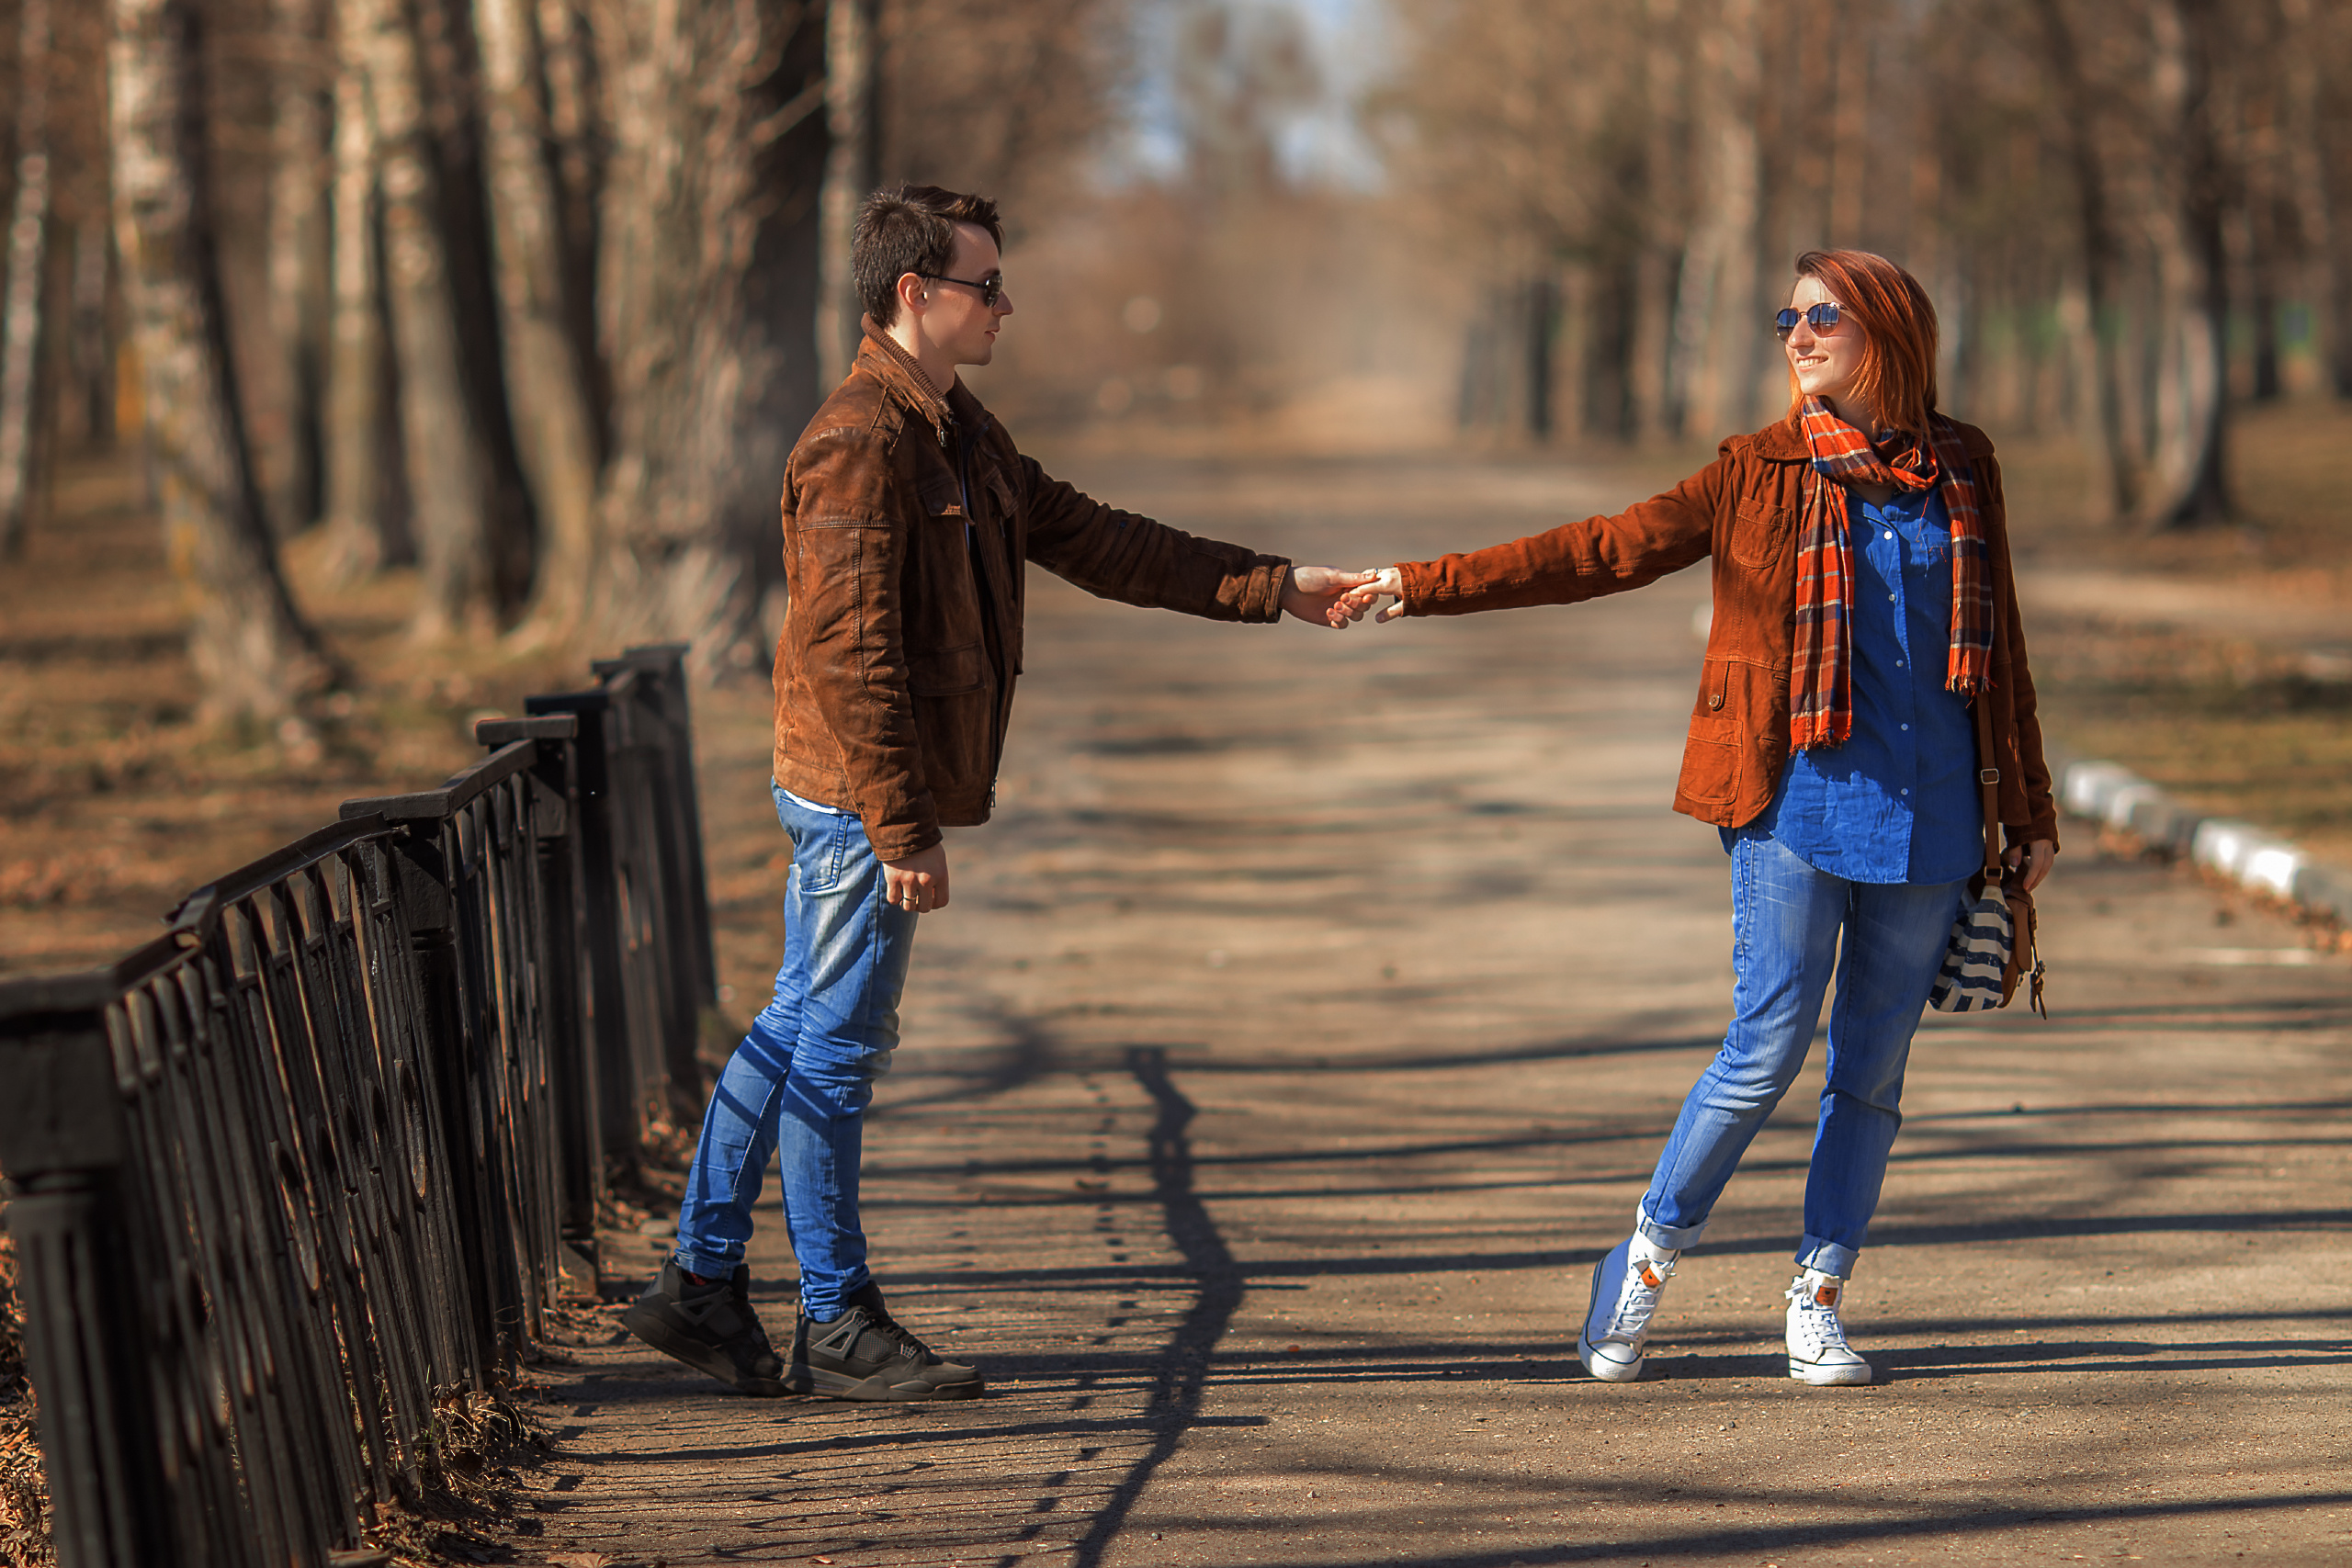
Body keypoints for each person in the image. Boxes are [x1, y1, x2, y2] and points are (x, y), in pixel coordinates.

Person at [623, 185, 1374, 1403]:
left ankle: (703, 1280)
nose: (1005, 305)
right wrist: (900, 823)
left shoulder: (952, 429)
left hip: (863, 793)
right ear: (914, 293)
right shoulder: (858, 443)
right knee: (839, 1050)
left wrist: (1274, 583)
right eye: (986, 284)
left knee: (799, 1027)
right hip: (861, 794)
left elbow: (1099, 537)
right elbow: (848, 651)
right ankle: (836, 1315)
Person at [1339, 250, 2057, 1386]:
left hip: (1931, 819)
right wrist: (1416, 582)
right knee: (1764, 1047)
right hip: (1791, 802)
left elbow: (2001, 650)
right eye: (1789, 317)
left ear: (1889, 329)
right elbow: (1596, 552)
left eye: (1822, 316)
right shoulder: (1757, 469)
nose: (1796, 335)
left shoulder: (1964, 468)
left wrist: (2031, 811)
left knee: (1870, 1071)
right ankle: (1644, 1261)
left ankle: (1817, 1299)